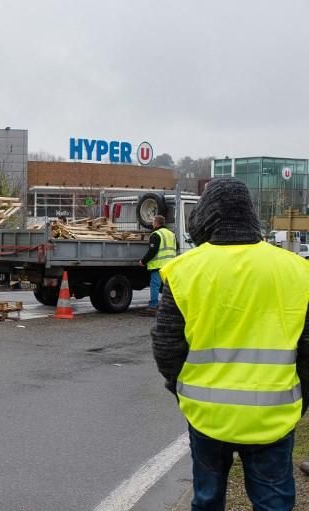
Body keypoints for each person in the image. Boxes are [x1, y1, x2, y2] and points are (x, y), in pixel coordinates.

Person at [151, 178, 309, 510]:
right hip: (274, 417)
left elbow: (166, 345)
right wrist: (300, 400)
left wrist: (182, 388)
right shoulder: (297, 271)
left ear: (207, 215)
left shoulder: (184, 271)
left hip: (207, 415)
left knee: (207, 500)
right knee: (274, 503)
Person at [138, 214, 177, 315]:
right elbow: (176, 247)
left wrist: (143, 261)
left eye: (153, 221)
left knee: (155, 285)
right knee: (169, 287)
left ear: (156, 223)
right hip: (170, 265)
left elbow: (153, 250)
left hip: (159, 265)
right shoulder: (171, 234)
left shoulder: (156, 234)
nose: (152, 223)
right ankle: (171, 306)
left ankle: (153, 307)